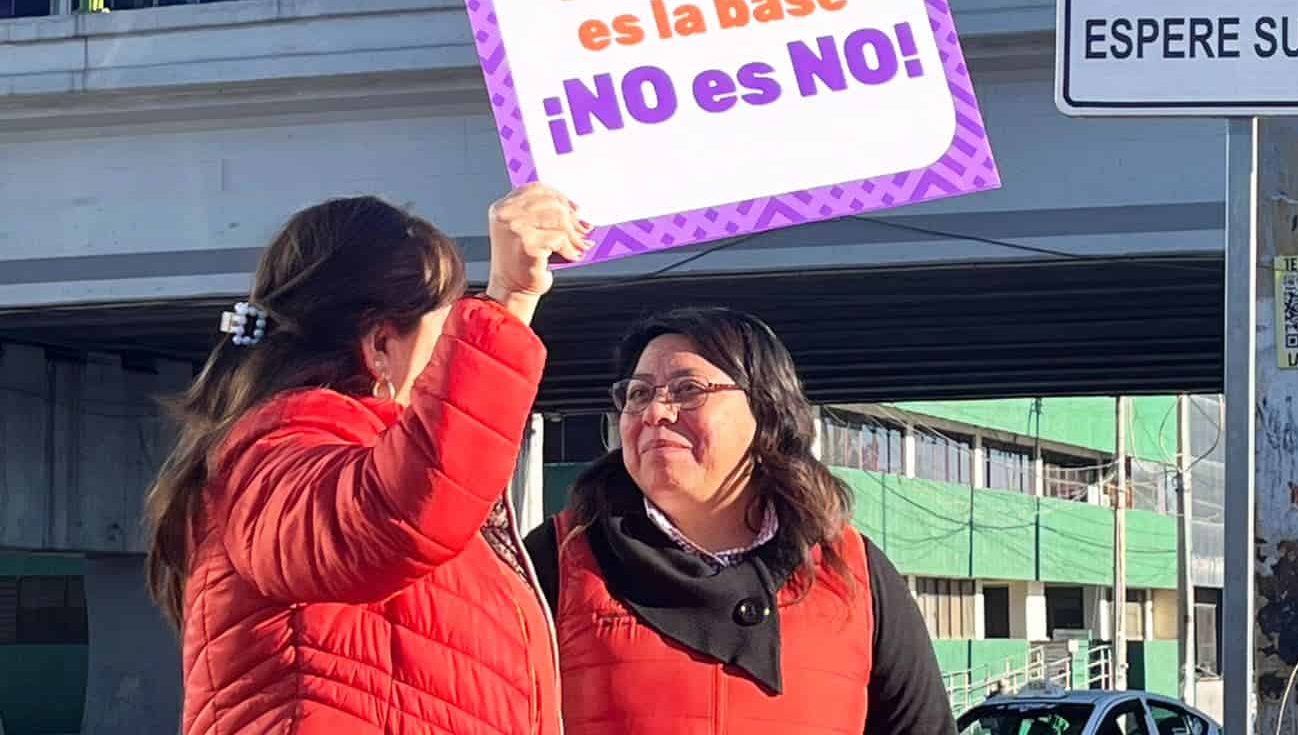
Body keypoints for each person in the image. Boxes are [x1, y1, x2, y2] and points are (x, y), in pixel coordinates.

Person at [144, 185, 589, 734]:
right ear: (380, 345)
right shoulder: (283, 446)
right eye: (445, 323)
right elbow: (396, 514)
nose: (451, 344)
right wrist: (502, 304)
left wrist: (515, 302)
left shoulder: (305, 453)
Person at [524, 306, 955, 735]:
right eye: (638, 394)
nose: (655, 412)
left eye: (687, 389)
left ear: (765, 410)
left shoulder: (852, 571)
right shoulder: (559, 560)